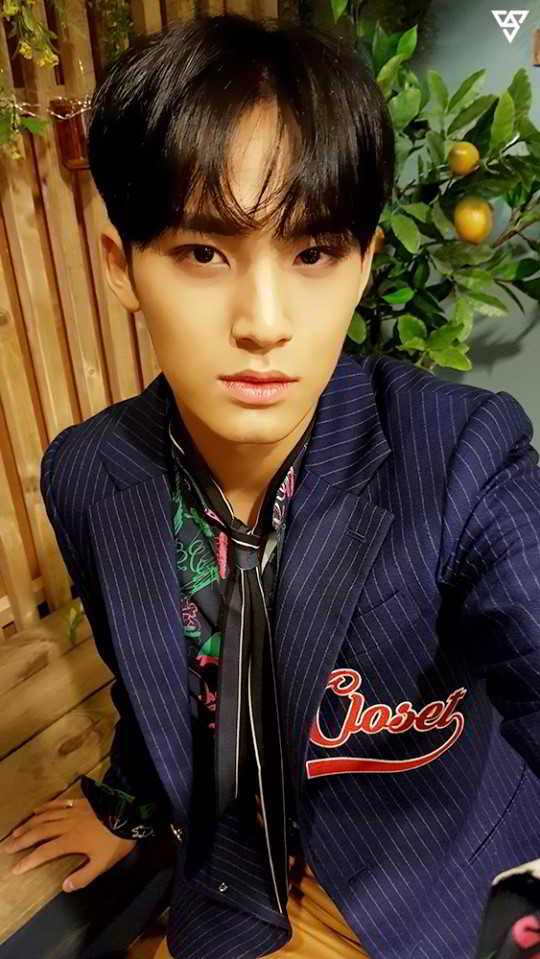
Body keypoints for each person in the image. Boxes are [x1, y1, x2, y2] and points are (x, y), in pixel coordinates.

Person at [5, 12, 540, 959]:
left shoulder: (461, 457)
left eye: (313, 253)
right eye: (203, 253)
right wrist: (125, 805)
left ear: (365, 265)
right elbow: (155, 680)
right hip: (229, 886)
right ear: (122, 266)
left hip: (437, 898)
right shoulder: (90, 474)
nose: (263, 321)